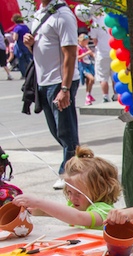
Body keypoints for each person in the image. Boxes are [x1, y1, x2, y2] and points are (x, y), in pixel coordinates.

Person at [23, 0, 80, 191]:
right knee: (57, 131)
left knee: (66, 130)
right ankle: (78, 164)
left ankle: (69, 173)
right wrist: (31, 45)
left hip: (59, 82)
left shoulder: (63, 16)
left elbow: (70, 54)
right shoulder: (41, 13)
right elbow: (44, 50)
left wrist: (65, 88)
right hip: (44, 81)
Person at [12, 146, 121, 230]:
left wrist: (39, 202)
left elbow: (78, 217)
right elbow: (61, 213)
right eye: (69, 192)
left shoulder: (104, 211)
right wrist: (36, 210)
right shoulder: (77, 205)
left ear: (99, 189)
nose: (73, 198)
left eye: (78, 193)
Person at [89, 13, 116, 103]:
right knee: (114, 75)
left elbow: (94, 40)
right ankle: (116, 94)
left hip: (102, 53)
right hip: (113, 51)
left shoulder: (96, 23)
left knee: (103, 77)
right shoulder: (112, 19)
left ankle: (105, 96)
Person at [11, 14, 33, 79]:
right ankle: (30, 73)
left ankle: (24, 74)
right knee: (28, 60)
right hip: (26, 44)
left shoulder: (17, 28)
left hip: (20, 46)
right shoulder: (26, 27)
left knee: (21, 61)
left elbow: (15, 38)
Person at [77, 33, 95, 106]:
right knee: (91, 79)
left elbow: (91, 54)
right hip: (83, 65)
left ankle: (88, 95)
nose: (87, 43)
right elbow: (78, 57)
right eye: (86, 41)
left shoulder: (86, 46)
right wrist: (86, 53)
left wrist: (93, 55)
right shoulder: (78, 47)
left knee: (89, 81)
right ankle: (88, 95)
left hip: (89, 64)